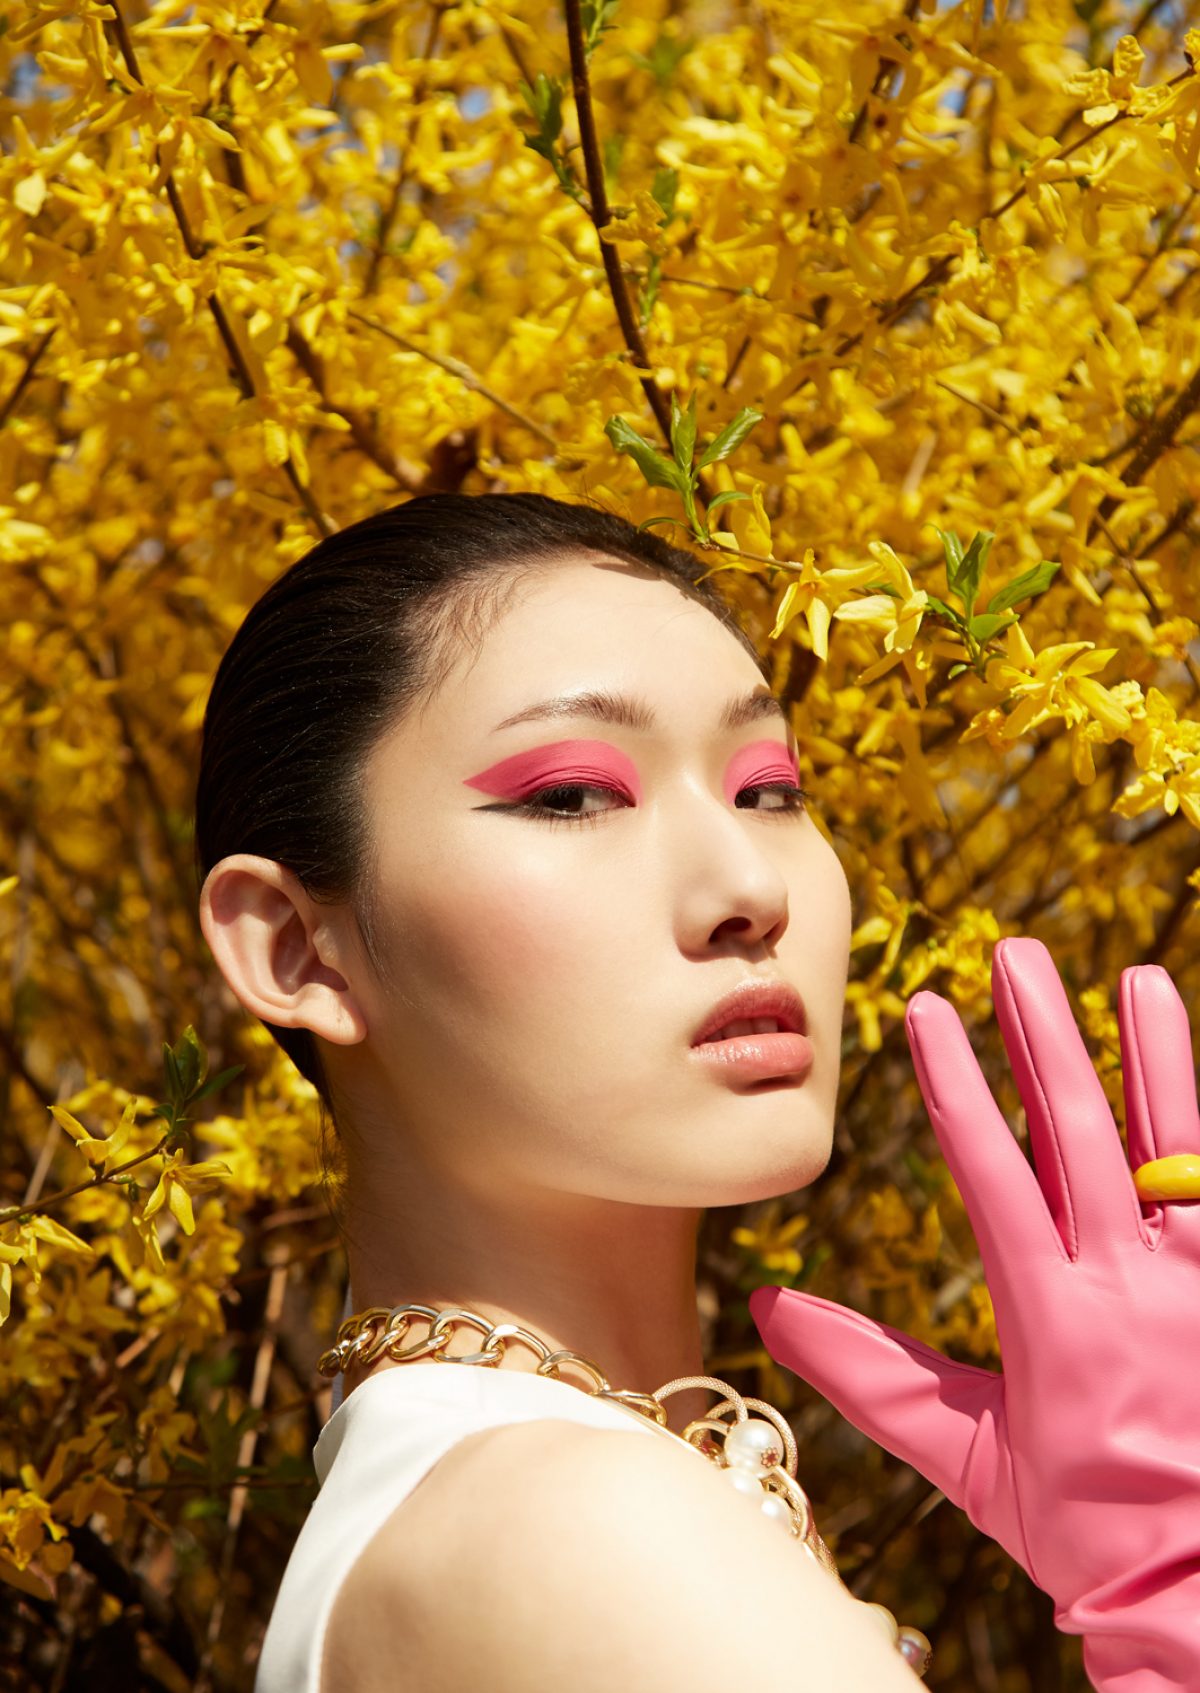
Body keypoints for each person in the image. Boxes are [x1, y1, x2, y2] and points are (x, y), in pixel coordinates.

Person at [193, 492, 1200, 1693]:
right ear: (296, 950)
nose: (749, 888)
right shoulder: (577, 1524)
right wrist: (1173, 1576)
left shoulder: (480, 1489)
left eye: (768, 789)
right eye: (573, 794)